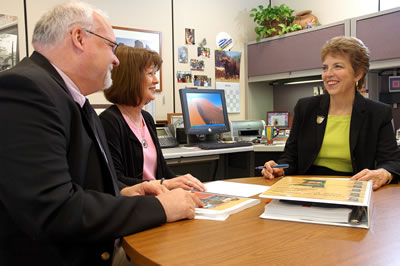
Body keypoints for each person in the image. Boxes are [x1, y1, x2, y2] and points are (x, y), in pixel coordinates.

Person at [0, 2, 202, 265]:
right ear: (79, 38)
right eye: (110, 46)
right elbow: (55, 209)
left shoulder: (71, 99)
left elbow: (81, 185)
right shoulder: (26, 90)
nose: (116, 60)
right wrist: (161, 207)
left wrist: (125, 192)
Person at [262, 36, 400, 191]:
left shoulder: (378, 113)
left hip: (353, 188)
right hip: (307, 188)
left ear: (358, 74)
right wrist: (280, 168)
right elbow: (290, 156)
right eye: (325, 68)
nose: (328, 74)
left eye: (338, 66)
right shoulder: (306, 107)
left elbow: (392, 162)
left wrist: (384, 173)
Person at [100, 45, 206, 192]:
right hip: (137, 205)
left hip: (157, 199)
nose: (156, 80)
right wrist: (164, 184)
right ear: (131, 78)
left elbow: (162, 171)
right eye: (150, 74)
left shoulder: (147, 118)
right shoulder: (109, 122)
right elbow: (115, 180)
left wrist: (183, 182)